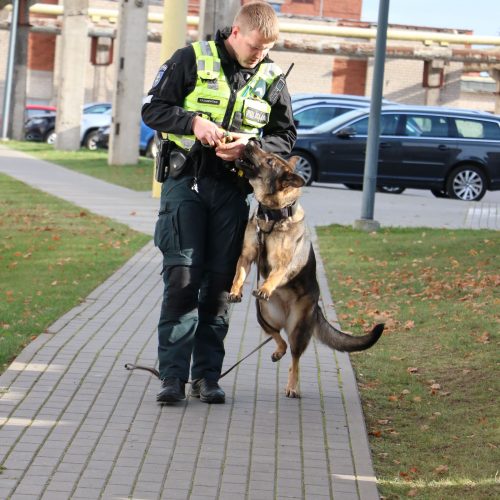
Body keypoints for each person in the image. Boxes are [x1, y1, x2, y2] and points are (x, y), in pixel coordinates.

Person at [141, 1, 296, 404]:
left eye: (266, 49)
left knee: (220, 288)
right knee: (182, 282)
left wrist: (252, 144)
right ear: (236, 33)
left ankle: (206, 377)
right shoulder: (191, 59)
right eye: (255, 47)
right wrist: (193, 123)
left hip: (232, 191)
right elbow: (153, 108)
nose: (259, 55)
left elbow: (286, 136)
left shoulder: (272, 78)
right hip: (185, 183)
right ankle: (172, 378)